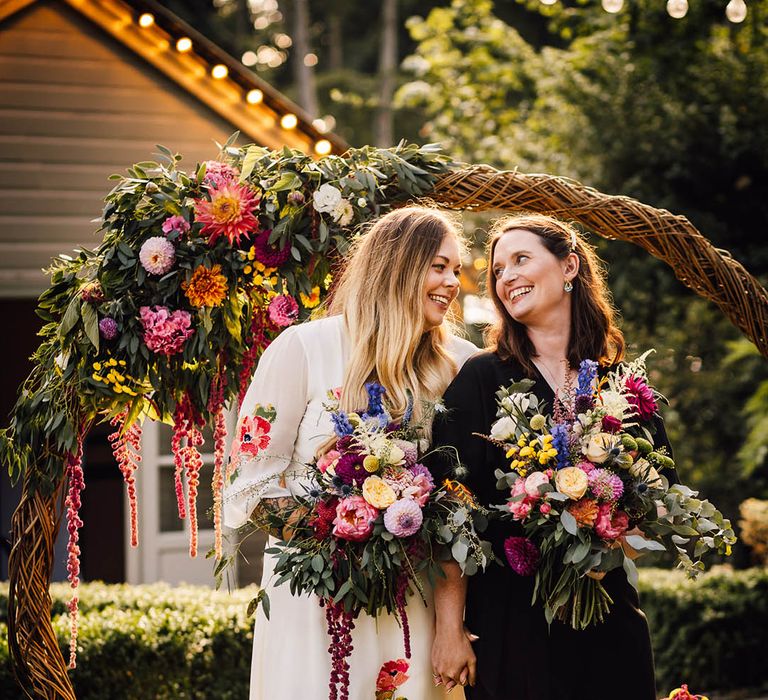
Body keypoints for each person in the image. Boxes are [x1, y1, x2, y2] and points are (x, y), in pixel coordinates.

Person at [223, 206, 478, 700]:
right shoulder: (302, 348)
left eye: (455, 269)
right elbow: (250, 481)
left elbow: (467, 495)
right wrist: (342, 536)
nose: (452, 282)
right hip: (316, 599)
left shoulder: (460, 364)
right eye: (438, 266)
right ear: (398, 265)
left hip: (415, 599)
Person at [430, 213, 662, 700]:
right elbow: (449, 513)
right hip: (510, 627)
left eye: (520, 260)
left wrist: (611, 542)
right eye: (497, 271)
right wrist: (448, 629)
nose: (506, 277)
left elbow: (656, 501)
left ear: (570, 266)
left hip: (607, 617)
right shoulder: (480, 379)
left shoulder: (622, 385)